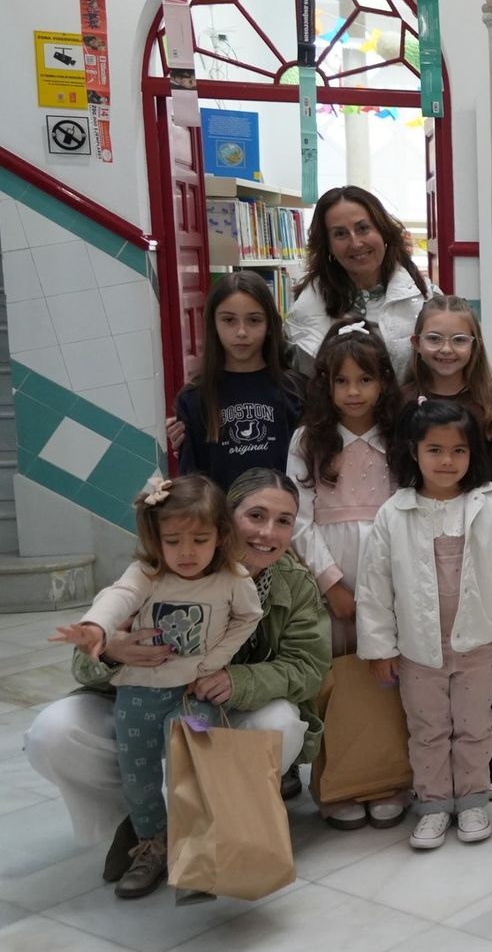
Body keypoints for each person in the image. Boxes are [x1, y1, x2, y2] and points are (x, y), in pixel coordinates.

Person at [24, 469, 332, 891]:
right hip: (139, 699)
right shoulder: (153, 572)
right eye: (256, 515)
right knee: (52, 733)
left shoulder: (292, 583)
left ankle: (210, 831)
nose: (268, 532)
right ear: (226, 520)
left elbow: (308, 666)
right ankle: (140, 827)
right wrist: (110, 648)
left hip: (218, 708)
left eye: (284, 521)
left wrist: (236, 679)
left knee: (278, 724)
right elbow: (85, 660)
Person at [48, 475, 263, 899]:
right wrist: (97, 628)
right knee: (139, 777)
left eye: (199, 539)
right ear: (155, 538)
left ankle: (198, 855)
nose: (186, 552)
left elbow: (248, 618)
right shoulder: (146, 573)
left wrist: (212, 662)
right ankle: (152, 844)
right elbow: (119, 595)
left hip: (191, 695)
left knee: (192, 766)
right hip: (138, 695)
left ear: (220, 536)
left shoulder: (233, 578)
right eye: (173, 540)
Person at [357, 398, 492, 850]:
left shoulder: (490, 507)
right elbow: (375, 586)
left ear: (472, 454)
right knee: (427, 728)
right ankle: (434, 803)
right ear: (413, 452)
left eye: (458, 450)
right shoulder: (393, 514)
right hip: (418, 650)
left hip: (479, 644)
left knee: (476, 726)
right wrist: (380, 648)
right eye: (434, 449)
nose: (446, 460)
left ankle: (473, 799)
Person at [287, 318, 407, 829]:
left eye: (365, 379)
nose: (354, 391)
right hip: (331, 578)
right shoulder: (307, 441)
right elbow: (297, 519)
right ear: (326, 385)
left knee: (387, 674)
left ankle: (387, 776)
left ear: (383, 382)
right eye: (342, 381)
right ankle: (338, 780)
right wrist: (332, 583)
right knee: (335, 678)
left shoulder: (401, 440)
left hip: (390, 574)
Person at [403, 294, 492, 801]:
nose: (446, 349)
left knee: (483, 653)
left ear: (474, 345)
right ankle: (432, 773)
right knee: (428, 663)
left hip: (483, 543)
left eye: (458, 338)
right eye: (435, 337)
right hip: (421, 542)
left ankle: (491, 765)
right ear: (416, 343)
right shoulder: (402, 401)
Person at [287, 186, 436, 380]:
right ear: (328, 245)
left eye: (363, 228)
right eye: (340, 234)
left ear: (383, 231)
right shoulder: (305, 311)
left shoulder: (425, 296)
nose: (356, 243)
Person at [172, 272, 303, 488]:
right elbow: (192, 487)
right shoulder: (193, 399)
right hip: (219, 519)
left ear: (270, 324)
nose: (241, 332)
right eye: (229, 320)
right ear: (213, 323)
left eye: (253, 320)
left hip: (285, 518)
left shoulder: (296, 390)